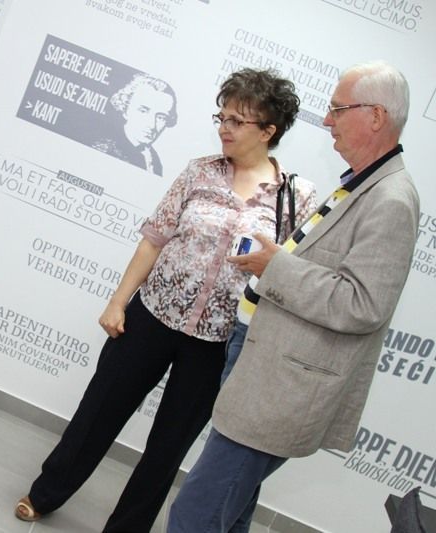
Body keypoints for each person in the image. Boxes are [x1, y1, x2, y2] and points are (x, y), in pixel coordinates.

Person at [14, 68, 317, 533]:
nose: (224, 128)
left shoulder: (295, 198)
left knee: (168, 447)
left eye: (237, 121)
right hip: (152, 315)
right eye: (222, 117)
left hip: (217, 342)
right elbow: (153, 241)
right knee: (98, 412)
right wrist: (118, 302)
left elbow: (289, 275)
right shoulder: (199, 171)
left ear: (268, 131)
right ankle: (45, 493)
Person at [167, 60, 420, 533]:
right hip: (263, 370)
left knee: (195, 516)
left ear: (376, 116)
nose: (326, 120)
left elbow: (364, 304)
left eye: (338, 110)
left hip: (281, 391)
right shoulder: (363, 184)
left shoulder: (390, 200)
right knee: (229, 512)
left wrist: (275, 266)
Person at [92, 73, 178, 176]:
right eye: (143, 111)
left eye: (161, 117)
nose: (152, 125)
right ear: (125, 110)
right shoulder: (105, 149)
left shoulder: (153, 158)